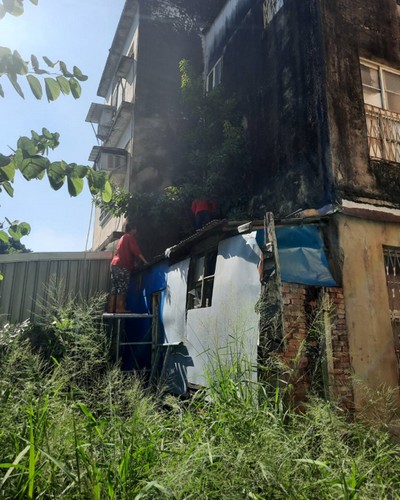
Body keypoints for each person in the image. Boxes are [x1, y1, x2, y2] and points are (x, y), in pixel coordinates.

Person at [107, 223, 148, 313]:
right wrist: (145, 261)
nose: (136, 231)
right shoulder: (130, 237)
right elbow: (136, 251)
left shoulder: (122, 238)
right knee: (123, 287)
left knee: (115, 287)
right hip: (122, 266)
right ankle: (119, 308)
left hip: (114, 264)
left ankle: (111, 309)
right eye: (135, 229)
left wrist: (133, 264)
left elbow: (126, 252)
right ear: (132, 229)